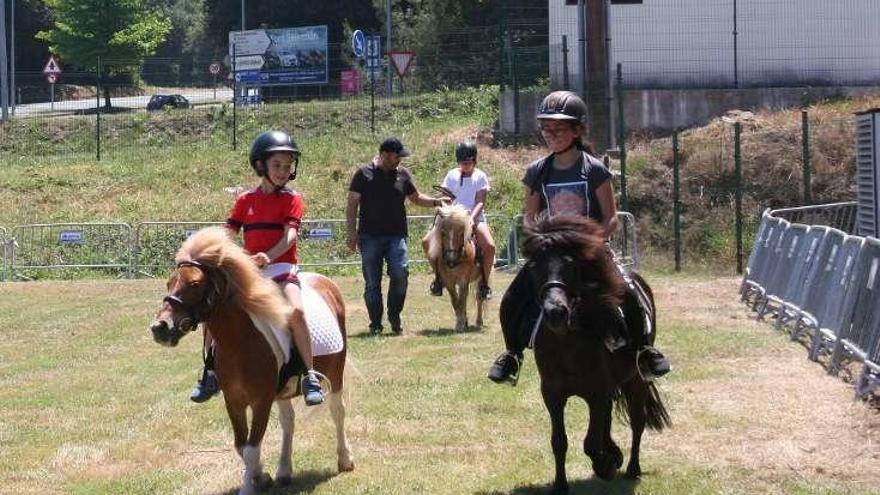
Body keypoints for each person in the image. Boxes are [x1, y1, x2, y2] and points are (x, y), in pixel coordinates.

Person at [486, 91, 671, 385]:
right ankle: (512, 355)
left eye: (559, 129)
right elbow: (530, 217)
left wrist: (593, 242)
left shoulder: (594, 170)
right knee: (513, 297)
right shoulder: (537, 171)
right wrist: (540, 242)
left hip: (590, 251)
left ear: (577, 130)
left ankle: (644, 351)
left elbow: (611, 217)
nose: (551, 135)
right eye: (547, 129)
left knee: (630, 291)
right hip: (552, 254)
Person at [190, 130, 325, 407]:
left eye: (288, 167)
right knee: (213, 313)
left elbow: (290, 237)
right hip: (250, 273)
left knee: (296, 311)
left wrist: (269, 256)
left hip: (282, 268)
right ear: (260, 165)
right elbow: (227, 234)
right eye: (277, 165)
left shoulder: (292, 199)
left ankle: (310, 374)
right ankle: (210, 373)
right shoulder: (244, 201)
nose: (283, 172)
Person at [346, 137, 448, 335]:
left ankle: (394, 315)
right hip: (369, 237)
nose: (399, 160)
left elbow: (416, 198)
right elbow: (352, 205)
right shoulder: (363, 174)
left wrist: (436, 201)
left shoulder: (402, 174)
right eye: (397, 156)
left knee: (400, 274)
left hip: (396, 236)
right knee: (372, 282)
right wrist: (351, 232)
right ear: (384, 155)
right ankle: (375, 323)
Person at [421, 141, 496, 300]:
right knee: (426, 242)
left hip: (473, 217)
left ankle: (484, 283)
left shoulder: (480, 176)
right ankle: (438, 278)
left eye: (468, 162)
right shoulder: (451, 175)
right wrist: (446, 210)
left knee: (489, 246)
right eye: (462, 163)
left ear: (474, 161)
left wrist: (471, 219)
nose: (465, 165)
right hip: (451, 219)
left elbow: (481, 201)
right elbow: (446, 197)